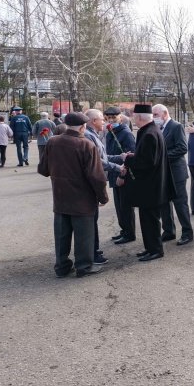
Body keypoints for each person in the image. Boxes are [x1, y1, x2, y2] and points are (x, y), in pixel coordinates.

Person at [38, 111, 109, 278]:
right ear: (83, 126)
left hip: (60, 197)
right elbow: (96, 176)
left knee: (62, 234)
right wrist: (102, 196)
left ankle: (62, 266)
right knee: (84, 234)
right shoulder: (86, 145)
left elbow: (43, 169)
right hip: (82, 199)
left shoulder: (52, 141)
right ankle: (84, 266)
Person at [120, 104, 176, 262]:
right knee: (146, 219)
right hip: (151, 185)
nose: (133, 119)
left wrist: (128, 158)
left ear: (138, 117)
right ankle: (150, 247)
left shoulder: (149, 134)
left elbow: (147, 162)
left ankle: (156, 250)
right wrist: (135, 156)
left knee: (150, 220)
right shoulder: (149, 131)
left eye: (134, 116)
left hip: (151, 186)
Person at [83, 109, 122, 265]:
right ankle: (91, 253)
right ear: (93, 121)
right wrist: (118, 167)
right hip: (90, 184)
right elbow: (98, 162)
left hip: (94, 181)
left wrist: (120, 157)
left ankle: (94, 248)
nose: (104, 122)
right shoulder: (88, 136)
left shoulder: (93, 134)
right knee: (90, 220)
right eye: (102, 119)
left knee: (94, 219)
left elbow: (103, 157)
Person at [153, 104, 193, 246]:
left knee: (180, 203)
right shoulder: (158, 127)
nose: (154, 118)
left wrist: (162, 157)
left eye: (156, 115)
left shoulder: (176, 126)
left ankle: (187, 232)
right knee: (164, 203)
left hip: (176, 172)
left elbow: (182, 148)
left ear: (165, 113)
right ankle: (169, 231)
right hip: (163, 173)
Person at [104, 106, 137, 246]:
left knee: (125, 205)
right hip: (114, 173)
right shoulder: (110, 132)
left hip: (124, 175)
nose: (111, 120)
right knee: (119, 205)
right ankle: (124, 229)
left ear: (121, 118)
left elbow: (131, 155)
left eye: (114, 117)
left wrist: (123, 175)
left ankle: (129, 233)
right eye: (108, 118)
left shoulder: (125, 133)